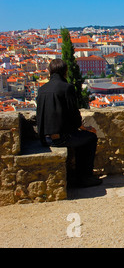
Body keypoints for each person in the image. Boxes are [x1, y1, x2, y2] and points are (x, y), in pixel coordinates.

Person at [36, 59, 102, 188]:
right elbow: (74, 113)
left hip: (44, 138)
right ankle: (85, 177)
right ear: (65, 72)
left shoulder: (42, 89)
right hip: (61, 138)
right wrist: (84, 128)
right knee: (90, 138)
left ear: (50, 71)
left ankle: (77, 175)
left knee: (81, 138)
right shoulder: (67, 88)